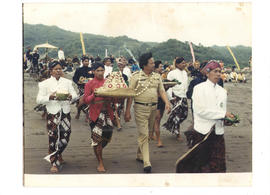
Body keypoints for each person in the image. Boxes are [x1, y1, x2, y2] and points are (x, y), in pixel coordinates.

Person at [124, 52, 171, 173]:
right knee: (144, 134)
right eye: (151, 63)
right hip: (140, 108)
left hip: (153, 109)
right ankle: (146, 162)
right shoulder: (135, 76)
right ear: (144, 65)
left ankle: (140, 154)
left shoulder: (157, 76)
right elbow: (130, 95)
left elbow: (161, 91)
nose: (154, 64)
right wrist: (127, 111)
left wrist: (167, 103)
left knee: (148, 133)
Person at [187, 60, 234, 172]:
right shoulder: (199, 88)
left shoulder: (222, 91)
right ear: (207, 73)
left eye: (220, 71)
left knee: (219, 166)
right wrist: (223, 114)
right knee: (202, 166)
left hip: (218, 133)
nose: (218, 74)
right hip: (202, 132)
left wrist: (226, 120)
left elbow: (221, 111)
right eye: (215, 71)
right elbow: (200, 110)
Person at [36, 61, 78, 173]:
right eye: (56, 69)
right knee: (53, 137)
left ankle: (57, 153)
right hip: (52, 113)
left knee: (66, 135)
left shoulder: (68, 82)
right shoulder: (44, 84)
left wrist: (70, 96)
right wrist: (50, 96)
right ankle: (54, 162)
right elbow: (39, 99)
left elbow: (75, 96)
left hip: (65, 112)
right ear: (51, 71)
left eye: (60, 69)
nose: (58, 71)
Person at [84, 62, 115, 172]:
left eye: (102, 70)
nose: (100, 72)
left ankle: (97, 150)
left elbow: (114, 99)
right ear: (93, 71)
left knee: (107, 136)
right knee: (98, 139)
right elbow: (86, 100)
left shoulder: (108, 83)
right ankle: (100, 162)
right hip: (95, 115)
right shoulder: (89, 84)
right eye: (98, 70)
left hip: (108, 114)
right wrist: (95, 94)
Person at [163, 57, 188, 141]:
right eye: (182, 63)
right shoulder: (172, 73)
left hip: (183, 96)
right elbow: (168, 86)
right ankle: (177, 133)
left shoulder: (185, 73)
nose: (184, 64)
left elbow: (185, 85)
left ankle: (170, 123)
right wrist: (170, 97)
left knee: (184, 114)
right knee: (177, 114)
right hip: (175, 96)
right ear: (177, 64)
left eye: (185, 63)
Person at [72, 56, 94, 120]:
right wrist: (78, 82)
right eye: (85, 61)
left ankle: (87, 115)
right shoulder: (79, 69)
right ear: (82, 62)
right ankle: (78, 112)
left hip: (90, 87)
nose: (87, 63)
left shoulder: (91, 69)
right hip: (82, 87)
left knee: (89, 101)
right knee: (81, 101)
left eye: (88, 61)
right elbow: (74, 78)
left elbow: (94, 77)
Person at [150, 60, 166, 147]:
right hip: (155, 100)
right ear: (155, 68)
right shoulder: (152, 77)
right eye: (160, 67)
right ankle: (159, 140)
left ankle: (152, 134)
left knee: (158, 119)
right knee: (157, 119)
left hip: (161, 100)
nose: (162, 68)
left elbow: (162, 90)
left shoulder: (161, 77)